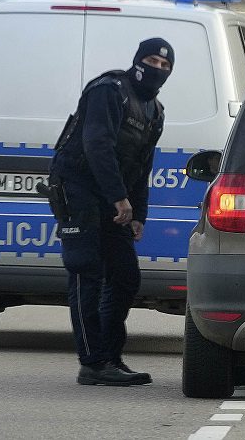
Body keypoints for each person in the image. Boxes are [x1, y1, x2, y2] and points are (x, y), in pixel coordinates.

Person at [49, 37, 174, 386]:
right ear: (137, 60)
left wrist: (138, 215)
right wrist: (120, 198)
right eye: (151, 61)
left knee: (125, 277)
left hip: (113, 196)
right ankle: (92, 363)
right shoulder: (109, 90)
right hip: (78, 188)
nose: (157, 69)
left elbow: (142, 165)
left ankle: (110, 357)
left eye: (165, 66)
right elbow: (97, 146)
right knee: (85, 270)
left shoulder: (155, 111)